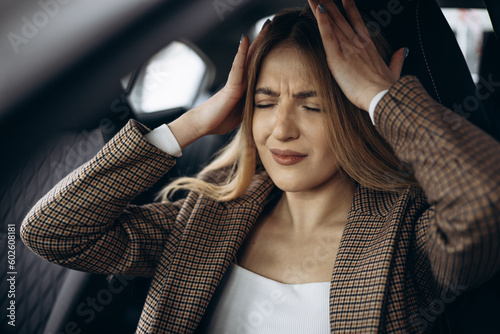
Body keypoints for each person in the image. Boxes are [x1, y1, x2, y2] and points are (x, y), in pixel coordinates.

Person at [21, 0, 500, 333]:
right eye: (265, 103)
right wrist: (190, 124)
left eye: (312, 106)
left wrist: (383, 99)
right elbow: (52, 232)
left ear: (358, 116)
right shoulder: (202, 220)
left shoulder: (408, 239)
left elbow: (485, 205)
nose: (281, 130)